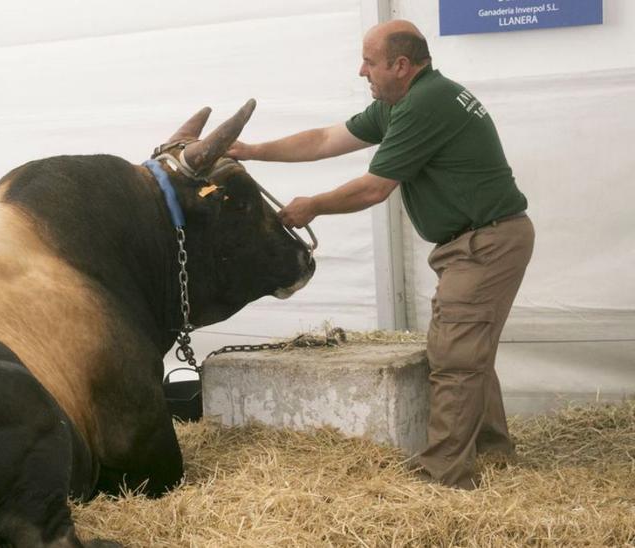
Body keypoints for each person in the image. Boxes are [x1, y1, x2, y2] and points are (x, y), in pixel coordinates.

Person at [227, 19, 534, 489]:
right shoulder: (401, 103)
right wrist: (252, 150)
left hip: (485, 242)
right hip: (478, 240)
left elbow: (373, 189)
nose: (360, 71)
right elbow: (325, 140)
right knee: (469, 349)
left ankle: (443, 476)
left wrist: (314, 206)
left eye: (369, 62)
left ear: (401, 65)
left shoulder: (424, 104)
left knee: (454, 356)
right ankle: (492, 452)